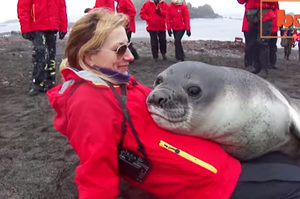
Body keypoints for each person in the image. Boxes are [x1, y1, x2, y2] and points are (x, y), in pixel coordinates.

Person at [47, 8, 300, 199]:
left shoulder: (116, 82)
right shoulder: (90, 102)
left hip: (222, 163)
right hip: (210, 183)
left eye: (129, 47)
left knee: (287, 165)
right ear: (89, 56)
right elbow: (95, 175)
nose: (130, 56)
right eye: (120, 49)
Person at [17, 0, 68, 96]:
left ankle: (50, 81)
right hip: (36, 26)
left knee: (51, 54)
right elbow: (23, 7)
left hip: (52, 26)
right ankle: (37, 83)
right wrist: (25, 27)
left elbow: (61, 8)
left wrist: (63, 27)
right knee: (41, 53)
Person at [238, 0, 277, 79]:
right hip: (251, 15)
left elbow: (274, 2)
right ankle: (256, 66)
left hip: (265, 14)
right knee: (253, 42)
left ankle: (264, 69)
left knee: (262, 42)